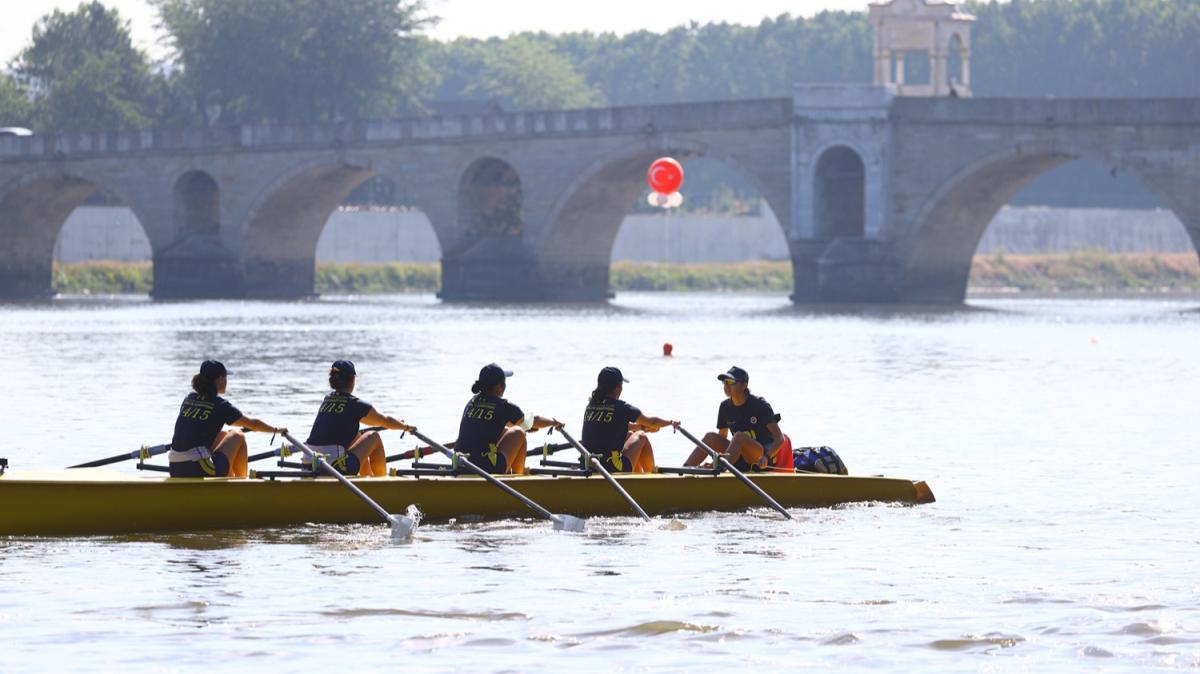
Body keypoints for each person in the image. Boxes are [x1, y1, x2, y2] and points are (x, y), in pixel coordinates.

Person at [169, 360, 285, 478]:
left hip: (174, 467)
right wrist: (276, 430)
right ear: (220, 379)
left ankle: (228, 477)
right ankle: (241, 484)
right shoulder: (220, 405)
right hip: (197, 469)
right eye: (225, 377)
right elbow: (253, 424)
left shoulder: (189, 398)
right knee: (238, 435)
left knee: (223, 435)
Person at [304, 360, 415, 477]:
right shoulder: (355, 404)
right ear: (352, 380)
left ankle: (366, 477)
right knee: (373, 436)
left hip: (309, 465)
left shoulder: (327, 400)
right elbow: (385, 421)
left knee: (357, 436)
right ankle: (381, 481)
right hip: (334, 467)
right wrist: (406, 427)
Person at [454, 363, 559, 474]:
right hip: (484, 467)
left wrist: (525, 426)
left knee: (506, 430)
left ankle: (510, 472)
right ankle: (519, 475)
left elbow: (506, 425)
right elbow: (533, 421)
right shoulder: (503, 406)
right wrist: (554, 423)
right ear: (500, 386)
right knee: (519, 434)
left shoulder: (472, 403)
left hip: (460, 463)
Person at [683, 366, 793, 472]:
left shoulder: (759, 404)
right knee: (710, 437)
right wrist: (716, 458)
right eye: (725, 382)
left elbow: (780, 438)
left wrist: (766, 456)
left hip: (762, 460)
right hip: (738, 457)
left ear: (744, 385)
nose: (726, 386)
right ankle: (684, 470)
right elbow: (722, 436)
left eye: (730, 382)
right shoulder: (725, 407)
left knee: (739, 436)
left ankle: (718, 468)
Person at [580, 366, 676, 473]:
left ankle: (638, 478)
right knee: (641, 436)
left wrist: (643, 427)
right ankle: (652, 476)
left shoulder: (591, 406)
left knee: (630, 435)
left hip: (587, 465)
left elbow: (614, 426)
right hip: (611, 467)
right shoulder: (622, 408)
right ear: (618, 388)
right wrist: (671, 423)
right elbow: (652, 422)